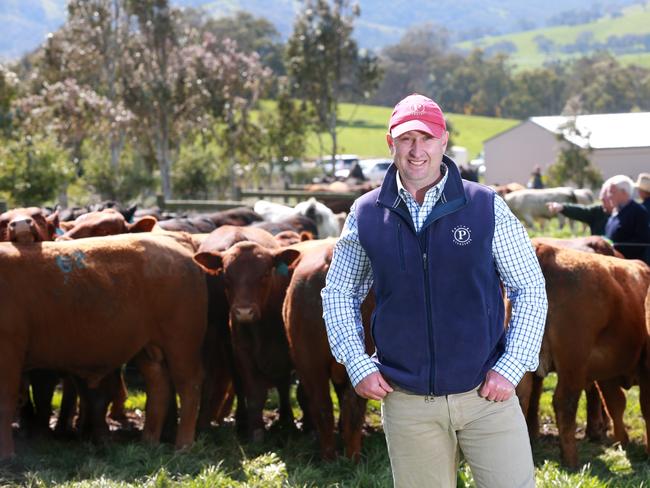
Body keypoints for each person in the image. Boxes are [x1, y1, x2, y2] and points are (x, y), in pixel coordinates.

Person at [321, 93, 548, 488]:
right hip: (408, 401)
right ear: (390, 144)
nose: (416, 150)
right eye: (406, 139)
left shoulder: (485, 206)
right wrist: (355, 362)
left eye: (426, 138)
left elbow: (529, 288)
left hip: (486, 396)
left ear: (443, 142)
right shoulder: (366, 214)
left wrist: (512, 367)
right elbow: (339, 292)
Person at [602, 174, 650, 263]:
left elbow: (643, 242)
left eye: (612, 192)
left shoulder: (638, 212)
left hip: (631, 267)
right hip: (614, 263)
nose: (609, 196)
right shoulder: (615, 212)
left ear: (624, 192)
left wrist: (614, 246)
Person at [546, 185, 615, 236]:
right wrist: (563, 207)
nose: (602, 199)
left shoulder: (624, 217)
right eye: (602, 199)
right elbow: (582, 211)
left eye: (606, 197)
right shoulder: (598, 212)